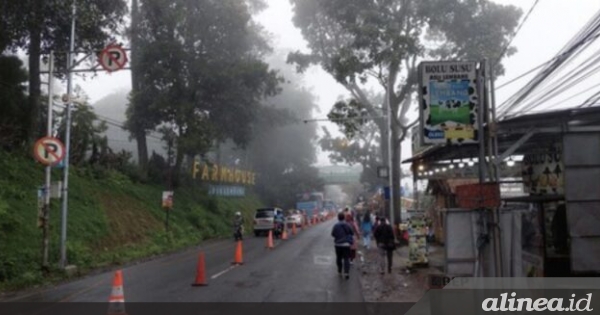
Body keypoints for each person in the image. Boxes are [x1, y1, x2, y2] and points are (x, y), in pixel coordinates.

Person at [331, 212, 354, 279]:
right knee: (346, 258)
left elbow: (333, 234)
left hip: (338, 244)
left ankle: (339, 271)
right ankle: (346, 273)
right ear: (344, 218)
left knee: (338, 258)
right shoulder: (347, 225)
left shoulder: (335, 225)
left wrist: (338, 236)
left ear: (338, 218)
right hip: (346, 244)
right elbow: (352, 233)